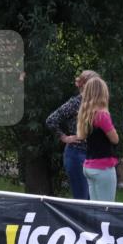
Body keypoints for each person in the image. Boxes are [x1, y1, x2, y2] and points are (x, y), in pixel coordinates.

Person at [46, 70, 97, 200]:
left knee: (92, 199)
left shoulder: (96, 105)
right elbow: (51, 120)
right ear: (85, 85)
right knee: (82, 198)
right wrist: (64, 137)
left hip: (91, 155)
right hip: (77, 154)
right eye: (94, 84)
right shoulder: (76, 103)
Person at [75, 75, 119, 202]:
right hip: (103, 167)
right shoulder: (102, 115)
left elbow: (81, 136)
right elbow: (115, 139)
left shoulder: (85, 115)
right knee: (106, 207)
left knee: (95, 207)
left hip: (89, 166)